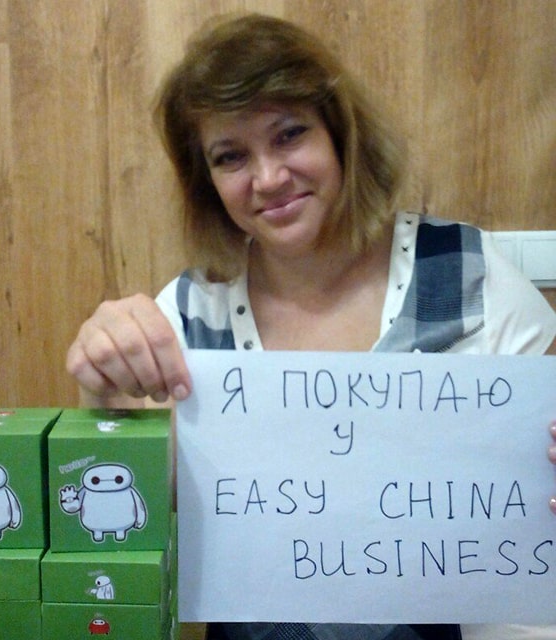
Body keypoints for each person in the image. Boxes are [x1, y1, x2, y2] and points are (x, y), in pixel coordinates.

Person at [66, 13, 556, 640]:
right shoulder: (187, 317)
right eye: (230, 156)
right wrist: (102, 398)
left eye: (290, 134)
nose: (268, 178)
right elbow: (125, 519)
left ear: (341, 134)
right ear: (206, 182)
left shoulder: (469, 276)